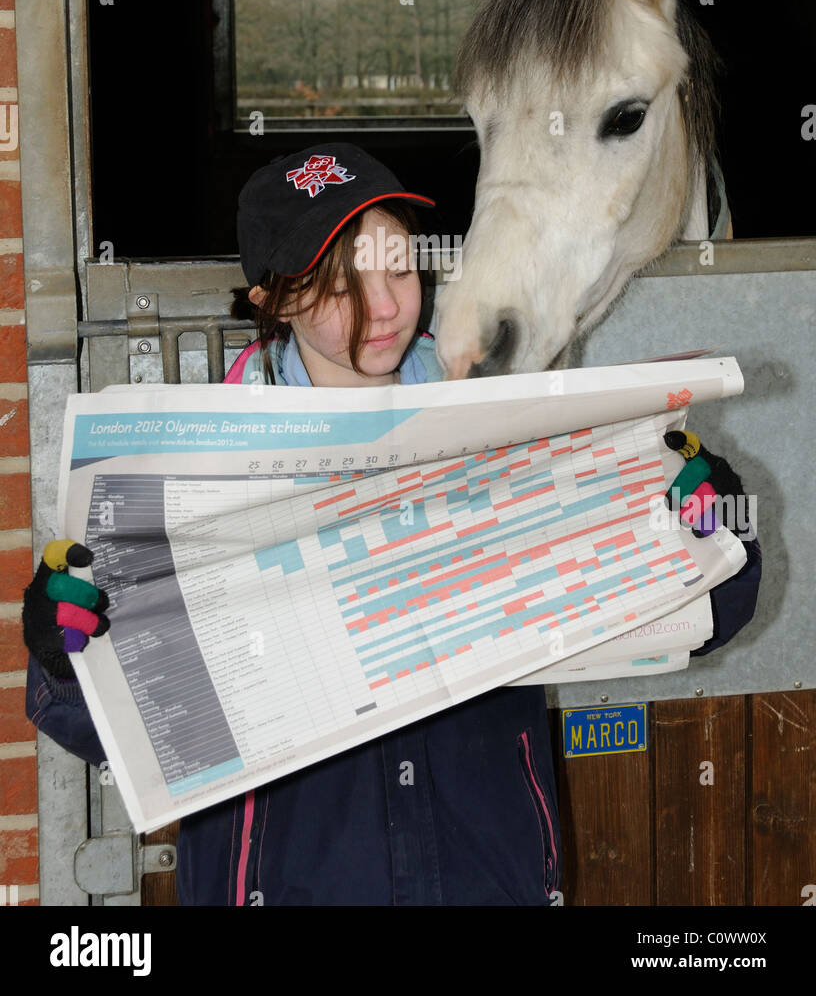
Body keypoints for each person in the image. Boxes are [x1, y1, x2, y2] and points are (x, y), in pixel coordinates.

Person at [22, 142, 762, 906]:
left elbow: (709, 617)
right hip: (289, 883)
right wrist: (61, 649)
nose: (384, 307)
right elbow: (103, 726)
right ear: (271, 300)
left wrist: (710, 530)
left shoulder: (516, 419)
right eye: (343, 283)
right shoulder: (183, 478)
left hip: (483, 872)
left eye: (400, 268)